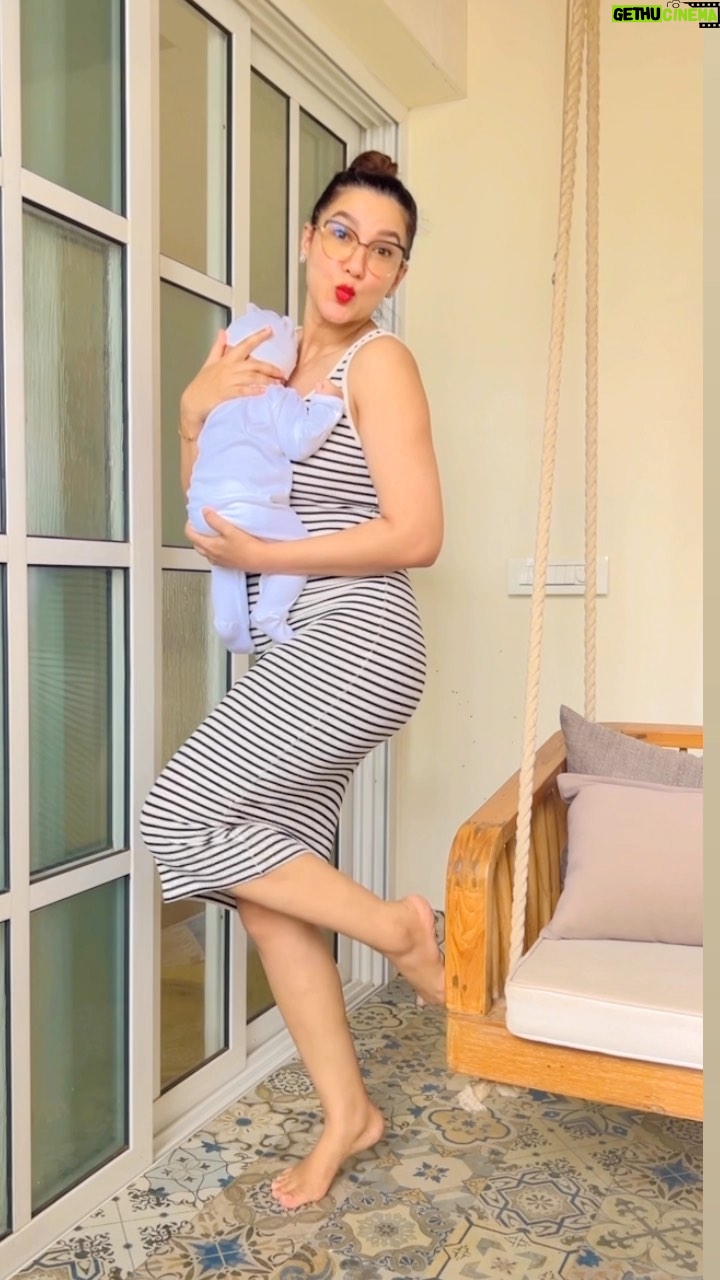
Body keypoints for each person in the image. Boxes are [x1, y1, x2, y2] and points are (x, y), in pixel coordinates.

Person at [140, 150, 445, 1211]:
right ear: (310, 239)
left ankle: (400, 930)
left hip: (358, 637)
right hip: (295, 644)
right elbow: (213, 510)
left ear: (397, 274)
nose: (358, 262)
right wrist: (193, 412)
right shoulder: (258, 354)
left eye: (385, 250)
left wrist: (274, 556)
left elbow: (418, 533)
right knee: (269, 897)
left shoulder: (380, 365)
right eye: (344, 235)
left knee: (179, 817)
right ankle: (348, 1113)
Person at [186, 303, 345, 653]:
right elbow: (300, 442)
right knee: (295, 544)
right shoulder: (276, 397)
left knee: (225, 559)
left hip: (201, 510)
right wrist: (327, 405)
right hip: (250, 506)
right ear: (282, 368)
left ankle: (229, 621)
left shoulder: (216, 406)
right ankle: (271, 612)